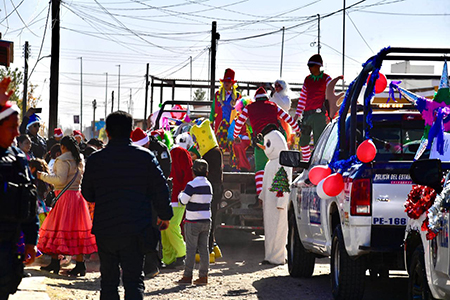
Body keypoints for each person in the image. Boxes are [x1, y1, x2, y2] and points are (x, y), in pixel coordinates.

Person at [81, 111, 173, 300]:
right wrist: (165, 215)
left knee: (108, 282)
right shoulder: (145, 157)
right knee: (133, 281)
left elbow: (87, 194)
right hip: (136, 229)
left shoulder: (96, 159)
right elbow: (160, 188)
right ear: (131, 131)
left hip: (106, 230)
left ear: (107, 132)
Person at [0, 77, 39, 300]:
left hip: (8, 247)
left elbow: (28, 199)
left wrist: (31, 241)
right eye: (11, 127)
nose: (17, 133)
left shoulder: (18, 158)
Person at [37, 136, 97, 276]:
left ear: (63, 147)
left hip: (64, 198)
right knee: (77, 231)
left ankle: (54, 263)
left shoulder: (62, 160)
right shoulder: (78, 160)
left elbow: (60, 180)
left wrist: (43, 176)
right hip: (77, 197)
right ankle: (80, 265)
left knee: (57, 229)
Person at [233, 87, 299, 197]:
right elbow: (288, 118)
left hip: (260, 140)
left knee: (260, 168)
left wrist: (235, 135)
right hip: (276, 138)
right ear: (266, 97)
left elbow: (239, 123)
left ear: (255, 99)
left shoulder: (249, 108)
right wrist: (298, 129)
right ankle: (280, 196)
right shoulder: (273, 106)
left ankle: (261, 197)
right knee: (280, 166)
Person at [190, 120, 223, 263]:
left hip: (210, 190)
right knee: (211, 218)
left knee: (206, 220)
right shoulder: (216, 151)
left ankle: (208, 251)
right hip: (215, 189)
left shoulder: (211, 154)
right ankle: (213, 247)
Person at [258, 126, 292, 265]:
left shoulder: (284, 162)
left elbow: (285, 184)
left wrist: (281, 202)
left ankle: (277, 257)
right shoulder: (270, 163)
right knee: (270, 229)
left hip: (277, 203)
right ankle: (269, 255)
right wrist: (262, 196)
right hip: (269, 202)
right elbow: (265, 183)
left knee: (278, 229)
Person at [177, 159, 212, 286]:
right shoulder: (209, 185)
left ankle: (187, 276)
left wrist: (180, 195)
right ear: (207, 173)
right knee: (204, 249)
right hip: (206, 220)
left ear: (193, 171)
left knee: (191, 249)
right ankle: (203, 276)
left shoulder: (191, 185)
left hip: (193, 221)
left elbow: (183, 201)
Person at [161, 139, 193, 268]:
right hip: (165, 198)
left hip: (177, 197)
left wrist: (184, 193)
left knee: (172, 226)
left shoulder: (180, 152)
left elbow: (188, 174)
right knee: (164, 229)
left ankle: (182, 254)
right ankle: (168, 259)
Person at [294, 54, 332, 162]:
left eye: (311, 66)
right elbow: (302, 98)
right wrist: (297, 114)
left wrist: (329, 115)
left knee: (319, 142)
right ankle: (307, 162)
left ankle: (318, 162)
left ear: (318, 66)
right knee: (303, 141)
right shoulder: (307, 79)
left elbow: (330, 97)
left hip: (319, 115)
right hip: (307, 115)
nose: (309, 68)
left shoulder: (326, 79)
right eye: (309, 66)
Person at [210, 68, 242, 170]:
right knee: (219, 145)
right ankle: (219, 167)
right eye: (225, 81)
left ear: (232, 83)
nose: (226, 83)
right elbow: (213, 109)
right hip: (221, 124)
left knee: (233, 145)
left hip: (232, 124)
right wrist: (211, 122)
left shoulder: (237, 96)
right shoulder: (218, 94)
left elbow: (241, 111)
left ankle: (233, 167)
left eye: (228, 81)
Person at [29, 159, 52, 227]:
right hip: (47, 211)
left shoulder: (32, 182)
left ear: (33, 169)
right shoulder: (46, 181)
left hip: (37, 212)